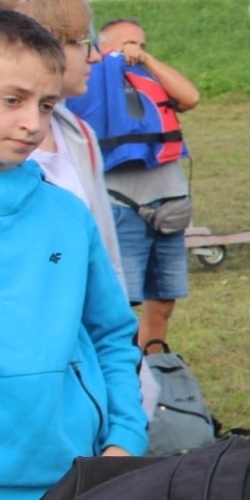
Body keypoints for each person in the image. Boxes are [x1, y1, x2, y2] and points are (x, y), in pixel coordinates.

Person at [0, 10, 146, 500]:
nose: (32, 122)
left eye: (46, 104)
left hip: (72, 488)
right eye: (12, 100)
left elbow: (111, 333)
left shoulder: (66, 213)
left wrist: (124, 438)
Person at [0, 0, 124, 288]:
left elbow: (102, 258)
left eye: (44, 107)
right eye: (81, 41)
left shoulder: (78, 134)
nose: (95, 56)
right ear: (38, 41)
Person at [71, 18, 201, 347]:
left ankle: (156, 364)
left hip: (169, 204)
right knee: (121, 304)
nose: (135, 50)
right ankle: (126, 375)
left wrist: (147, 61)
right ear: (103, 48)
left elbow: (190, 98)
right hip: (121, 208)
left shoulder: (151, 77)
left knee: (163, 299)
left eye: (141, 45)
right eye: (127, 44)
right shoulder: (91, 82)